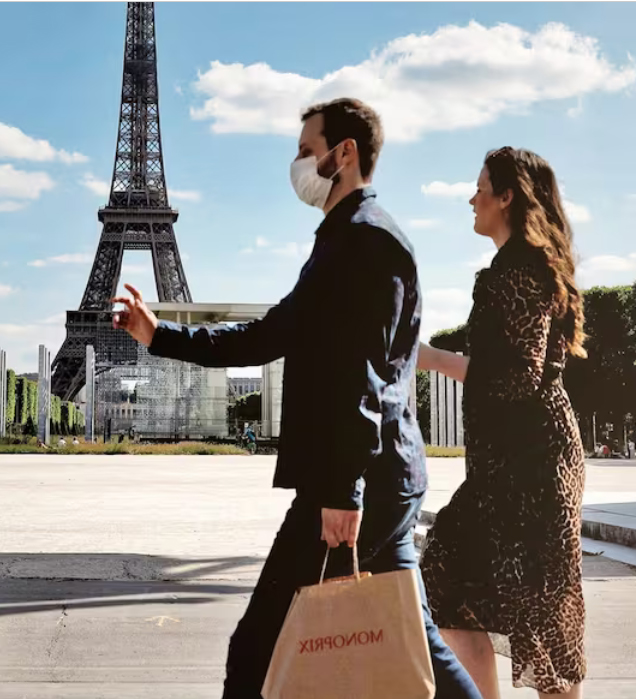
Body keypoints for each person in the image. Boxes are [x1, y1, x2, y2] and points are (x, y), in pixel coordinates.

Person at [112, 98, 480, 699]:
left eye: (306, 149)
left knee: (257, 649)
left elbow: (365, 376)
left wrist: (342, 491)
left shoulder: (366, 242)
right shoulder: (344, 239)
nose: (298, 161)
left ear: (345, 153)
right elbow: (272, 333)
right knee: (419, 643)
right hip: (379, 475)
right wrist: (159, 334)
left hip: (360, 480)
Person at [418, 148, 587, 698]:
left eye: (480, 187)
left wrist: (428, 357)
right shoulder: (527, 267)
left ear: (506, 197)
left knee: (533, 617)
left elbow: (517, 377)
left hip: (531, 469)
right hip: (517, 464)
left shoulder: (514, 272)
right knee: (471, 597)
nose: (472, 198)